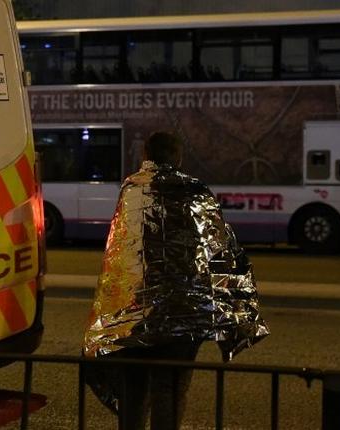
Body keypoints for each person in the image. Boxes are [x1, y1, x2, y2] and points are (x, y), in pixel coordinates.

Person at [83, 131, 269, 430]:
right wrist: (237, 309)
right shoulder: (195, 192)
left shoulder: (131, 190)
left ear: (145, 155)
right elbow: (221, 249)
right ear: (179, 157)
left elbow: (118, 257)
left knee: (134, 388)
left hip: (133, 312)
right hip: (184, 315)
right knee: (168, 388)